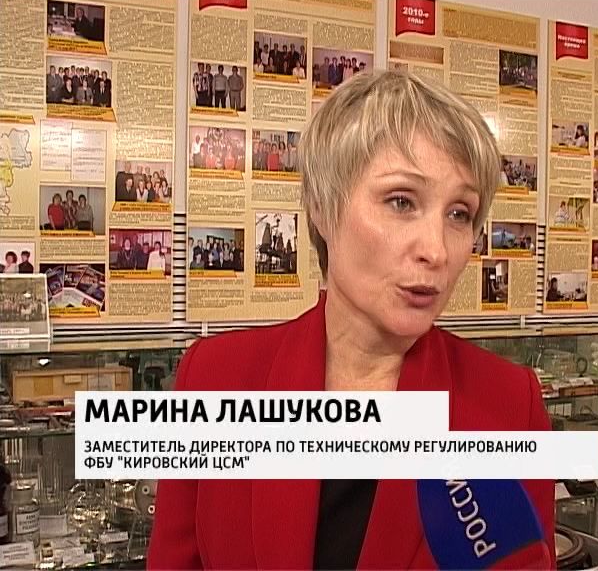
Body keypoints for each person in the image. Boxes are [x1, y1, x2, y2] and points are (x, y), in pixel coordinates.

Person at [148, 71, 555, 570]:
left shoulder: (507, 404)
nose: (436, 251)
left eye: (459, 214)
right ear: (323, 208)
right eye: (401, 201)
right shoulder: (216, 378)